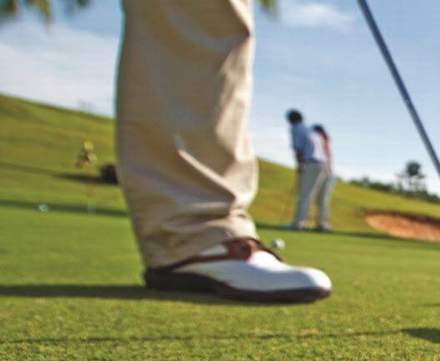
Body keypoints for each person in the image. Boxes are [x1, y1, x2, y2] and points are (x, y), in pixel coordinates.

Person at [117, 2, 331, 303]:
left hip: (312, 163)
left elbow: (305, 148)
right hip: (320, 164)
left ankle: (195, 234)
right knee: (208, 13)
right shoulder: (310, 130)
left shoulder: (301, 130)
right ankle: (195, 232)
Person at [286, 111, 333, 232]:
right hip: (324, 165)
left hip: (311, 163)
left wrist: (299, 165)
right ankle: (323, 225)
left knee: (305, 195)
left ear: (291, 120)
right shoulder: (312, 131)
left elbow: (298, 149)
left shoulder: (296, 129)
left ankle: (298, 224)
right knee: (322, 198)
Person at [312, 124, 335, 229]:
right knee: (319, 199)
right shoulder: (322, 142)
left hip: (328, 174)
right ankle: (321, 223)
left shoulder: (325, 142)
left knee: (323, 200)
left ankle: (324, 224)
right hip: (326, 173)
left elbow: (328, 158)